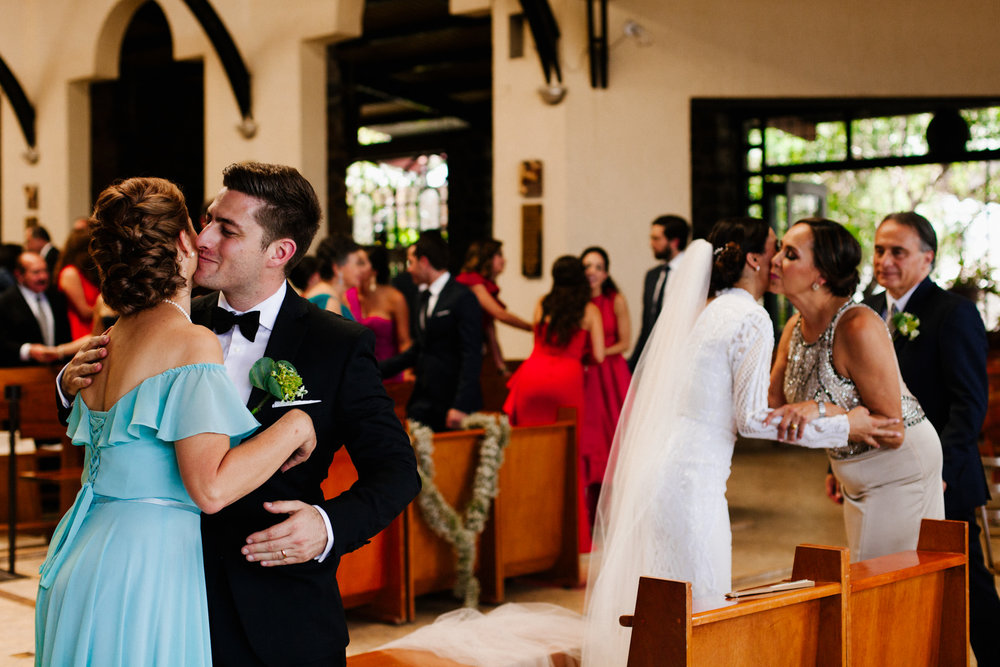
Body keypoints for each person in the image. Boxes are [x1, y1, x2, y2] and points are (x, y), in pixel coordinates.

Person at [60, 162, 421, 666]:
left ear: (280, 252)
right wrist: (69, 386)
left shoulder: (337, 345)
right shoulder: (173, 321)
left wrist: (327, 525)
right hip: (163, 593)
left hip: (278, 610)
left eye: (226, 229)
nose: (202, 237)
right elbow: (122, 431)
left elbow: (398, 472)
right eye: (207, 218)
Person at [583, 218, 895, 666]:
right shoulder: (752, 317)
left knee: (667, 603)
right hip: (692, 484)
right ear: (753, 258)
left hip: (666, 472)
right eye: (776, 249)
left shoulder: (712, 309)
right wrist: (847, 425)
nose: (779, 260)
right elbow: (750, 420)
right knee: (704, 602)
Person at [36, 177, 317, 665]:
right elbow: (209, 489)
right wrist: (294, 426)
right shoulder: (191, 342)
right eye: (201, 226)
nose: (207, 237)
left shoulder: (108, 338)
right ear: (185, 243)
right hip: (142, 570)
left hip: (80, 555)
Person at [861, 211, 1000, 664]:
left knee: (966, 582)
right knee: (896, 572)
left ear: (927, 258)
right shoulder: (868, 310)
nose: (885, 260)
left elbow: (968, 403)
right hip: (882, 473)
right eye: (880, 249)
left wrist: (941, 468)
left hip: (944, 475)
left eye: (898, 251)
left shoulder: (952, 313)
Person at [769, 217, 944, 563]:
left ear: (821, 274)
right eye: (779, 250)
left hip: (899, 470)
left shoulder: (858, 325)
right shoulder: (793, 327)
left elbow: (891, 430)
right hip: (852, 475)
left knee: (883, 585)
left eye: (789, 254)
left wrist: (825, 412)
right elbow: (771, 408)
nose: (775, 261)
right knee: (868, 581)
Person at [503, 255, 606, 553]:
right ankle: (568, 539)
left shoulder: (541, 303)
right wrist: (577, 354)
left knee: (529, 455)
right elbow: (598, 356)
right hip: (566, 382)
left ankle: (525, 533)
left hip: (533, 378)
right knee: (567, 459)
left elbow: (537, 339)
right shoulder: (589, 311)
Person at [380, 234, 483, 431]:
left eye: (411, 262)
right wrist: (375, 369)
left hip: (452, 400)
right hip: (424, 398)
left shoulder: (462, 297)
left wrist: (460, 405)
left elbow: (472, 354)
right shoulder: (422, 296)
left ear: (424, 261)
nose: (408, 269)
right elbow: (420, 348)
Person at [579, 246, 632, 529]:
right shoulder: (576, 303)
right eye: (588, 266)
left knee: (613, 439)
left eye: (598, 267)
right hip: (584, 377)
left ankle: (613, 513)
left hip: (610, 375)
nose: (592, 272)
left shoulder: (616, 300)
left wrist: (599, 351)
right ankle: (587, 511)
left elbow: (626, 342)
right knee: (590, 440)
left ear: (606, 273)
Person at [456, 239, 532, 375]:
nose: (504, 260)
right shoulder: (472, 281)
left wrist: (500, 365)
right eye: (500, 255)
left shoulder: (482, 283)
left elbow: (489, 328)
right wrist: (532, 327)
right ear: (486, 258)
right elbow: (499, 314)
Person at [629, 214, 689, 371]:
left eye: (656, 239)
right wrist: (633, 364)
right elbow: (647, 324)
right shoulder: (652, 275)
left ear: (674, 242)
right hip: (653, 360)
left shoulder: (691, 274)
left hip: (680, 359)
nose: (651, 244)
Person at [0, 251, 73, 366]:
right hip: (22, 371)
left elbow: (65, 334)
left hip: (56, 369)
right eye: (36, 272)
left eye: (45, 270)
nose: (43, 276)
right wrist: (28, 350)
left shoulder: (56, 296)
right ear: (19, 275)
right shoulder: (5, 301)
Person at [356, 244, 411, 375]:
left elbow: (404, 341)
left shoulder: (395, 298)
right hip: (358, 371)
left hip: (389, 372)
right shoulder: (348, 295)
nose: (356, 268)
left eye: (361, 263)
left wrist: (407, 373)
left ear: (374, 269)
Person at [302, 234, 369, 320]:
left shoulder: (334, 296)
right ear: (337, 268)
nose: (362, 270)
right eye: (358, 263)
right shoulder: (329, 301)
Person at [55, 226, 101, 339]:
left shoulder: (86, 272)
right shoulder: (70, 273)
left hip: (94, 327)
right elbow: (84, 311)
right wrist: (107, 311)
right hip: (81, 331)